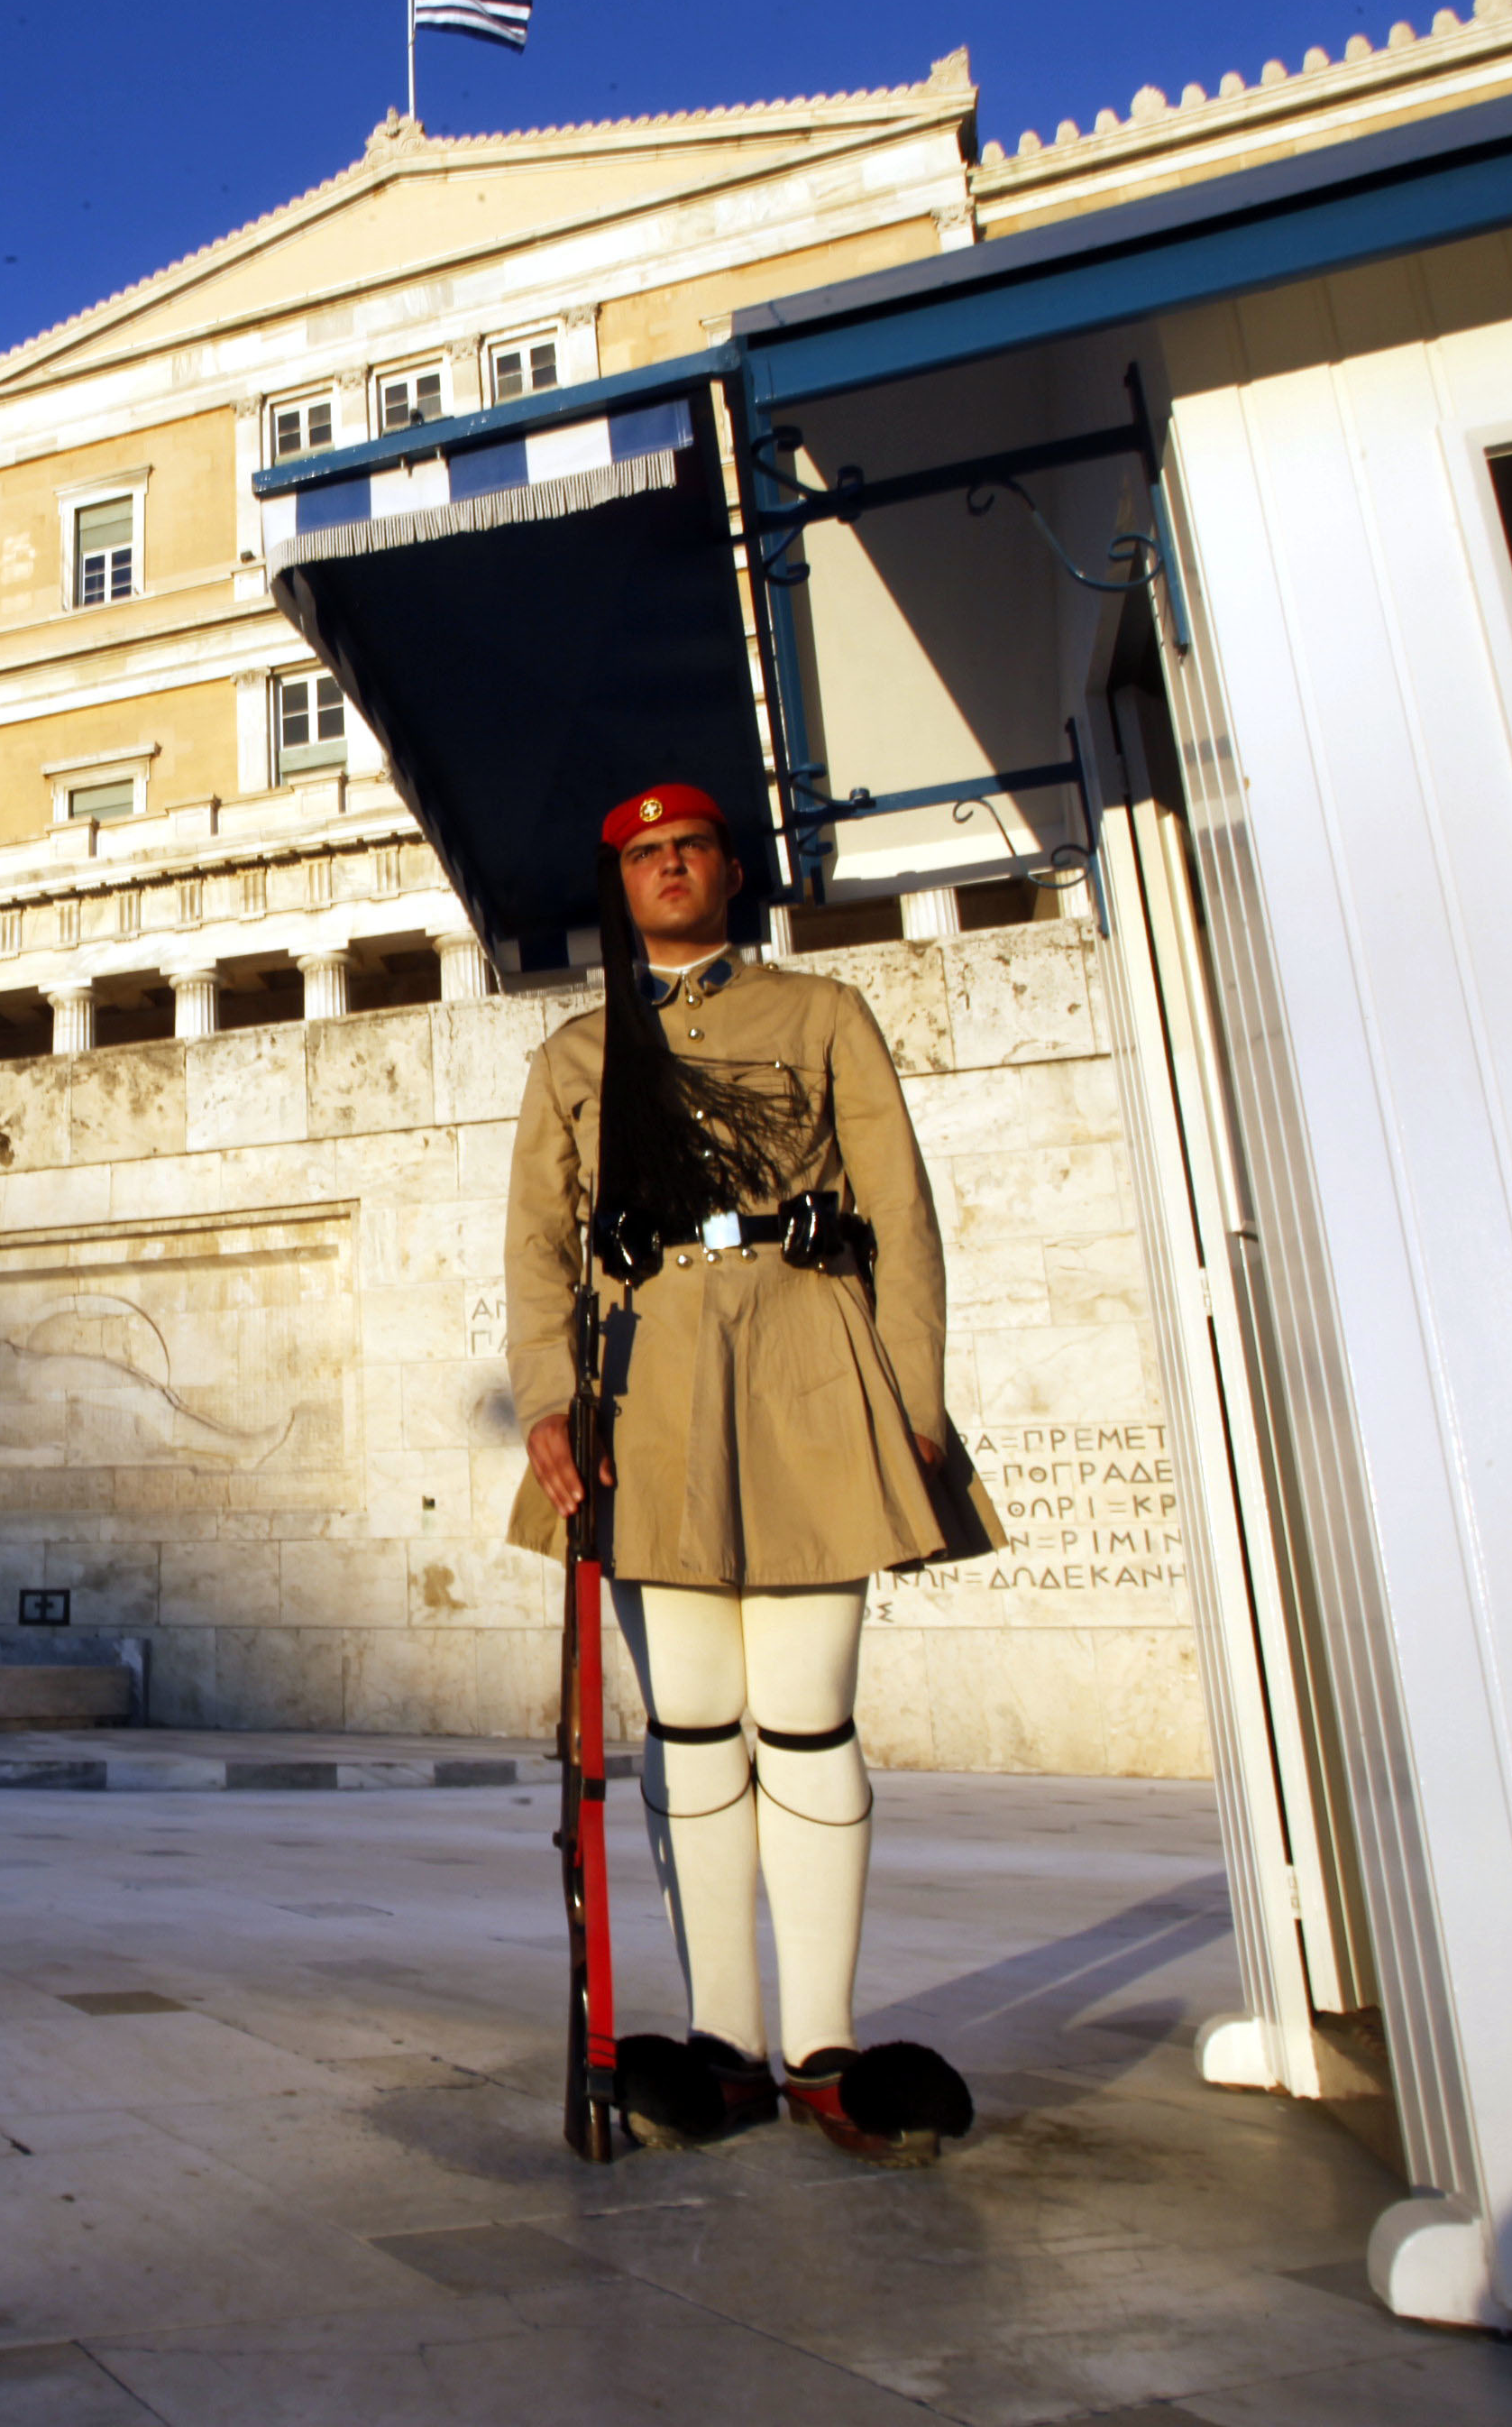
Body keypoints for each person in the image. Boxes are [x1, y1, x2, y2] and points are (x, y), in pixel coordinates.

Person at [503, 782, 996, 2165]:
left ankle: (824, 2043)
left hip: (802, 1360)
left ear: (730, 870)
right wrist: (550, 1395)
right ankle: (721, 2039)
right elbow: (539, 1243)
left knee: (807, 1712)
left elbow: (899, 1207)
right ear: (623, 885)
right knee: (694, 1720)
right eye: (646, 857)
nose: (670, 870)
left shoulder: (821, 1015)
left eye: (691, 850)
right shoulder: (577, 1050)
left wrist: (912, 1393)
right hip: (646, 1380)